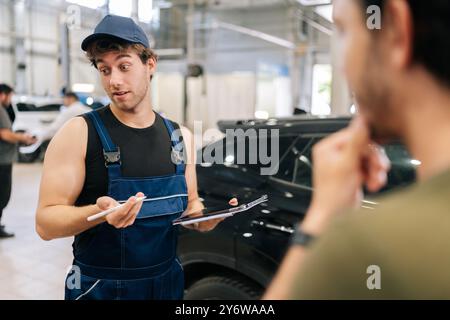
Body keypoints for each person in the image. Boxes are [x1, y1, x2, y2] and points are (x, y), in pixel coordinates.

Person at [35, 15, 236, 300]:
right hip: (100, 287)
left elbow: (190, 203)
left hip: (167, 283)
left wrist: (202, 219)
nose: (114, 80)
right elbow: (45, 223)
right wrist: (98, 214)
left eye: (124, 66)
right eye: (104, 70)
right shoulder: (78, 133)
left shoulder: (181, 137)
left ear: (149, 64)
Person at [264, 0, 450, 299]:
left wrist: (320, 220)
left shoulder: (370, 247)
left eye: (344, 30)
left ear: (395, 31)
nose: (343, 65)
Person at [0, 85, 36, 238]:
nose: (10, 100)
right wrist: (23, 138)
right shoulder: (1, 110)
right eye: (10, 96)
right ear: (3, 95)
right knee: (2, 194)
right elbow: (5, 134)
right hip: (2, 160)